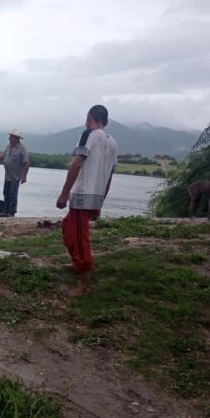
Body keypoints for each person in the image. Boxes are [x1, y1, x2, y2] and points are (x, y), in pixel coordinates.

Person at [56, 105, 118, 297]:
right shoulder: (113, 142)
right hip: (95, 196)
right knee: (68, 227)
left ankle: (84, 282)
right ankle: (78, 263)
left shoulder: (89, 134)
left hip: (82, 195)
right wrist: (101, 202)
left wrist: (64, 193)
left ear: (90, 118)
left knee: (79, 238)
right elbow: (109, 176)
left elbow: (76, 164)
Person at [0, 130, 30, 216]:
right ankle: (6, 210)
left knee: (13, 194)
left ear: (16, 138)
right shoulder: (8, 147)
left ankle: (12, 212)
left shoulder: (22, 149)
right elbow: (2, 156)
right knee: (6, 192)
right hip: (7, 175)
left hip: (16, 176)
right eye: (10, 137)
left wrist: (24, 176)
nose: (9, 138)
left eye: (11, 137)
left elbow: (27, 162)